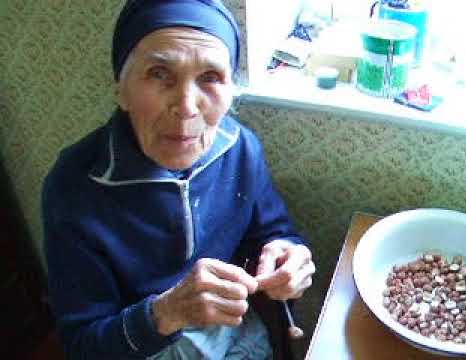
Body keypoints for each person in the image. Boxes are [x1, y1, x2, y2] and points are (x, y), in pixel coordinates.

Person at [42, 0, 315, 359]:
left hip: (234, 330)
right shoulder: (74, 188)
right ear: (121, 89)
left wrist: (288, 256)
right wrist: (166, 313)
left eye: (210, 78)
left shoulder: (240, 148)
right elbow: (84, 346)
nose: (186, 106)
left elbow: (273, 232)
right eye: (159, 73)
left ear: (231, 90)